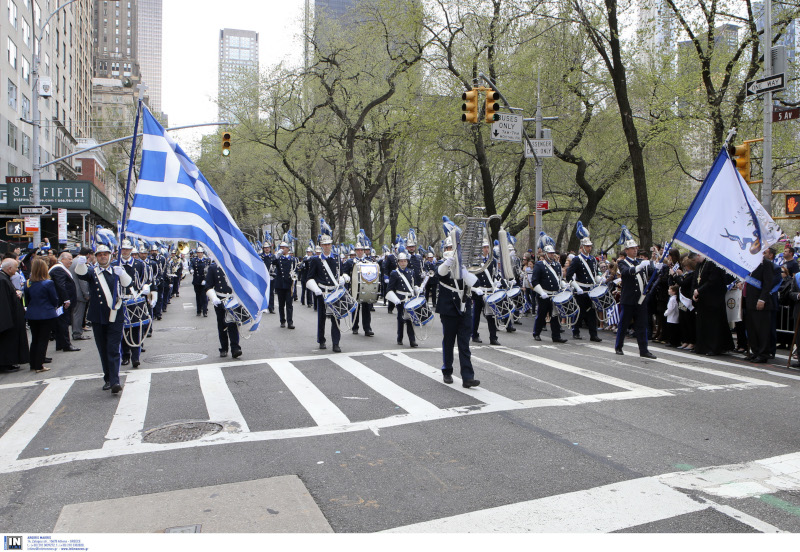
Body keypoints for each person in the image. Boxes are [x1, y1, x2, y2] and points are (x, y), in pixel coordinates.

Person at [74, 240, 132, 393]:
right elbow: (81, 274)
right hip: (98, 316)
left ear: (110, 256)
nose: (103, 257)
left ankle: (114, 381)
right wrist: (80, 263)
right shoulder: (93, 272)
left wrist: (123, 273)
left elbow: (127, 283)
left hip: (115, 315)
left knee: (113, 348)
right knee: (103, 348)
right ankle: (108, 378)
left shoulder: (117, 269)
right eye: (99, 255)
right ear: (96, 257)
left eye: (105, 254)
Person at [436, 237, 480, 388]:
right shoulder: (442, 264)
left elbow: (475, 282)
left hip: (464, 308)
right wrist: (448, 264)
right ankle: (447, 371)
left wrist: (464, 272)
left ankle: (467, 377)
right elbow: (439, 274)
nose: (452, 251)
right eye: (449, 248)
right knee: (448, 341)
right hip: (448, 309)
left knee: (464, 344)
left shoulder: (465, 265)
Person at [614, 228, 659, 358]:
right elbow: (626, 272)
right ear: (627, 250)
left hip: (641, 298)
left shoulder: (640, 262)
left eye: (636, 248)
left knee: (642, 325)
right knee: (623, 324)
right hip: (628, 299)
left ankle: (644, 350)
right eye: (632, 248)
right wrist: (640, 266)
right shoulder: (622, 262)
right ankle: (619, 346)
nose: (635, 250)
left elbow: (651, 274)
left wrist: (657, 268)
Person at [306, 233, 343, 352]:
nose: (327, 246)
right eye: (325, 244)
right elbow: (310, 277)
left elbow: (340, 272)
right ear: (321, 245)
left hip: (334, 291)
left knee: (336, 318)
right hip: (322, 292)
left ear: (331, 245)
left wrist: (344, 278)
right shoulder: (316, 260)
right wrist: (316, 289)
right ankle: (321, 339)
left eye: (329, 244)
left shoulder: (336, 258)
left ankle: (336, 343)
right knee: (321, 317)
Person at [692, 254, 735, 356]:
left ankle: (714, 347)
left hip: (714, 298)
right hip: (703, 299)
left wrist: (699, 290)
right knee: (703, 324)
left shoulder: (713, 263)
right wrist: (693, 292)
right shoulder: (699, 265)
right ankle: (702, 347)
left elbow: (713, 281)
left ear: (699, 255)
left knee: (714, 325)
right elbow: (695, 279)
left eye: (696, 258)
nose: (696, 261)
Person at [566, 222, 602, 342]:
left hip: (590, 289)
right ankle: (575, 331)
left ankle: (593, 334)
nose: (589, 248)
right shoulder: (577, 259)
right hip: (580, 290)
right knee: (579, 312)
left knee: (592, 312)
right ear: (582, 248)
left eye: (590, 246)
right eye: (587, 247)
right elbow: (569, 276)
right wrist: (577, 287)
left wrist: (599, 280)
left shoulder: (593, 259)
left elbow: (596, 274)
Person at [24, 258, 59, 373]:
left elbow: (28, 299)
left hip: (32, 313)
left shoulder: (28, 283)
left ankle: (33, 363)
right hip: (46, 314)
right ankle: (39, 365)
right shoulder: (48, 283)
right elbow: (54, 299)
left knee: (35, 339)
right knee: (43, 340)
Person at [118, 239, 149, 368]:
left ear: (131, 250)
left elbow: (144, 279)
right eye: (123, 249)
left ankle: (135, 356)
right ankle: (125, 355)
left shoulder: (139, 264)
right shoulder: (115, 264)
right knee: (124, 329)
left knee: (136, 328)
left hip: (135, 298)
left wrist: (145, 289)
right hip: (121, 299)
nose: (125, 252)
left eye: (127, 249)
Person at [531, 234, 567, 343]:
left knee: (555, 316)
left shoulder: (556, 265)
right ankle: (536, 333)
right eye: (550, 253)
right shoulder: (539, 265)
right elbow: (534, 281)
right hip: (544, 294)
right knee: (541, 315)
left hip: (554, 294)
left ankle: (556, 336)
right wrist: (541, 292)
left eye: (553, 253)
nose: (552, 255)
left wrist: (563, 285)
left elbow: (559, 279)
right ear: (545, 254)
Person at [745, 247, 776, 363]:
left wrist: (762, 299)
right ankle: (755, 351)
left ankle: (763, 354)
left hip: (761, 301)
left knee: (761, 329)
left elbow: (768, 283)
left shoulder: (766, 264)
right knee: (752, 328)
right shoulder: (749, 263)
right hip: (750, 300)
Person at [205, 261, 242, 358]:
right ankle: (224, 348)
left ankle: (235, 348)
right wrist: (214, 298)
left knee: (233, 323)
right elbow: (208, 286)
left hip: (232, 299)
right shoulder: (213, 268)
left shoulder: (233, 266)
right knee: (222, 324)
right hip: (220, 299)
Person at [0, 258, 29, 373]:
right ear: (9, 268)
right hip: (8, 318)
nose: (17, 270)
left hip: (13, 316)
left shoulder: (4, 278)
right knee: (7, 342)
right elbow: (3, 302)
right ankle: (5, 364)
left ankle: (10, 362)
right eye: (16, 267)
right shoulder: (2, 280)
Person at [386, 251, 419, 348]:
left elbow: (414, 285)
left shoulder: (411, 272)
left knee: (409, 319)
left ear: (407, 262)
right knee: (400, 319)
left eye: (405, 261)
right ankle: (399, 337)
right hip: (400, 298)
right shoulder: (394, 273)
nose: (403, 263)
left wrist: (417, 288)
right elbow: (390, 289)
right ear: (398, 262)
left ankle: (412, 340)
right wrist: (394, 299)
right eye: (401, 261)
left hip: (409, 298)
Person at [343, 241, 375, 337]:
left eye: (361, 250)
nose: (360, 252)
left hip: (366, 287)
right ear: (355, 251)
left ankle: (367, 328)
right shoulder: (350, 262)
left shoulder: (369, 261)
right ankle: (355, 327)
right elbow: (344, 273)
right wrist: (346, 279)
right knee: (355, 308)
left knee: (366, 309)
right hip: (354, 288)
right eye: (358, 250)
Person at [49, 251, 80, 352]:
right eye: (69, 259)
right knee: (63, 323)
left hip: (62, 301)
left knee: (62, 323)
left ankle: (61, 344)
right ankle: (66, 345)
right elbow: (60, 285)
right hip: (62, 302)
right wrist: (66, 299)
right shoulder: (58, 269)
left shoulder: (60, 268)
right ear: (62, 259)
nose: (71, 261)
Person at [471, 241, 500, 345]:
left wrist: (497, 284)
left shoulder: (493, 261)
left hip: (490, 291)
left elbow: (495, 275)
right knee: (476, 315)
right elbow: (471, 276)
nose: (486, 249)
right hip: (479, 291)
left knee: (491, 315)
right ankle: (474, 334)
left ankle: (493, 337)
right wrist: (475, 289)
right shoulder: (475, 261)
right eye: (484, 247)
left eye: (487, 247)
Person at [70, 247, 93, 343]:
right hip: (79, 293)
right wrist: (86, 294)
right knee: (78, 314)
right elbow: (82, 280)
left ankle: (76, 332)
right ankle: (77, 333)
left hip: (74, 291)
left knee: (75, 314)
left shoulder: (74, 261)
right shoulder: (80, 263)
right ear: (88, 254)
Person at [273, 241, 296, 329]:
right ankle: (282, 320)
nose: (282, 249)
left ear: (288, 249)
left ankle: (290, 322)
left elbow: (295, 269)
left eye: (284, 248)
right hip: (280, 284)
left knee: (289, 304)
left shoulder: (292, 259)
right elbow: (273, 262)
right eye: (281, 247)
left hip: (289, 284)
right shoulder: (278, 258)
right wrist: (277, 254)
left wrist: (294, 276)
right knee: (281, 304)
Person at [189, 246, 211, 317]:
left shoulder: (207, 260)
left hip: (204, 281)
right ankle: (198, 311)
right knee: (198, 296)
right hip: (197, 281)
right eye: (198, 253)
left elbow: (209, 270)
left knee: (204, 297)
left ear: (203, 253)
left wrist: (206, 279)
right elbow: (191, 266)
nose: (200, 254)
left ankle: (205, 311)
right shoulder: (194, 260)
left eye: (201, 253)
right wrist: (191, 270)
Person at [260, 242, 276, 314]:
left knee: (271, 292)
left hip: (271, 276)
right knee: (263, 292)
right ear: (263, 249)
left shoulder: (273, 256)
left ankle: (271, 307)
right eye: (265, 248)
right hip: (263, 277)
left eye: (268, 248)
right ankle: (263, 307)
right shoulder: (260, 256)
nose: (267, 249)